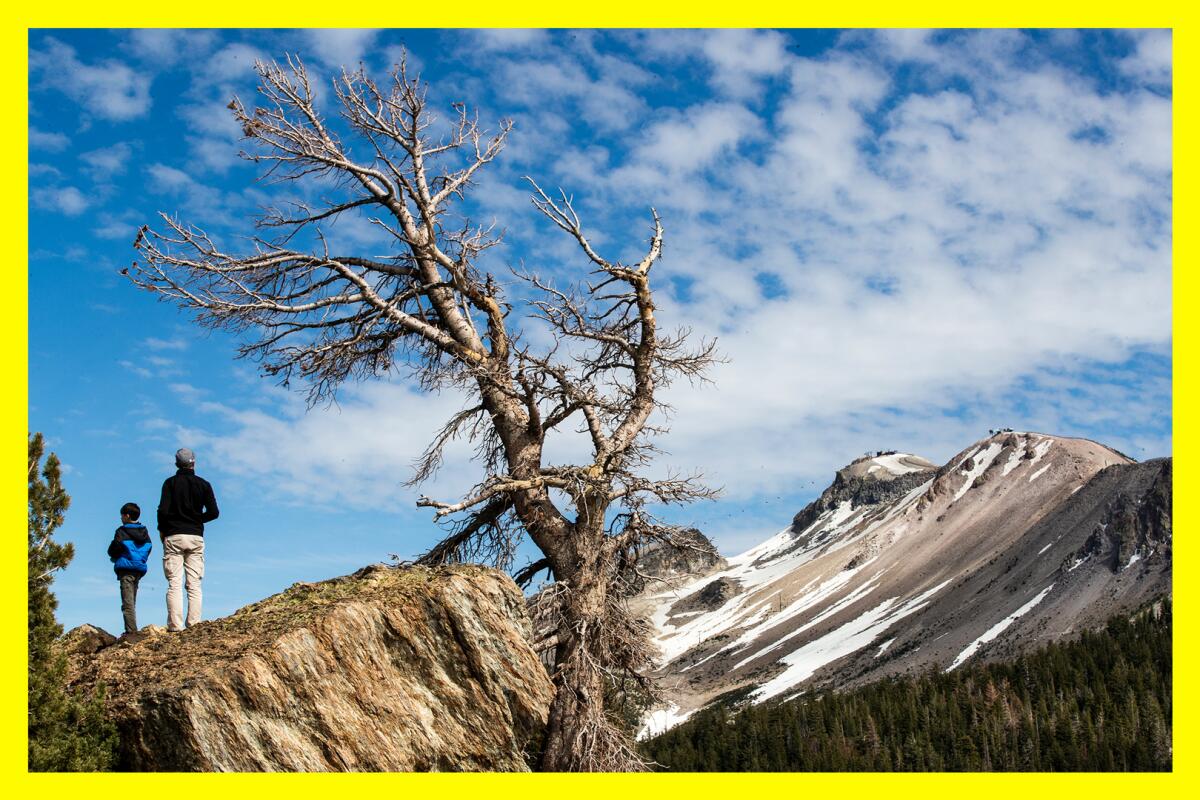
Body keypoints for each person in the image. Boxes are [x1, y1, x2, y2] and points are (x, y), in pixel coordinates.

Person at [157, 447, 219, 632]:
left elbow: (163, 511)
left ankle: (175, 626)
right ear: (194, 462)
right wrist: (197, 519)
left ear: (176, 463)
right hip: (195, 535)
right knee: (194, 584)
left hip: (174, 535)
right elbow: (214, 513)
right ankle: (194, 624)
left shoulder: (169, 484)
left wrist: (163, 530)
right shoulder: (204, 484)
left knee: (174, 583)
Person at [107, 502, 152, 638]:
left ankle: (131, 632)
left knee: (127, 602)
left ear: (126, 516)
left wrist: (117, 556)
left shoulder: (121, 531)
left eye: (122, 516)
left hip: (126, 568)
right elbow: (149, 547)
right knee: (132, 600)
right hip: (138, 568)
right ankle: (131, 628)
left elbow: (113, 549)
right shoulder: (144, 532)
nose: (121, 518)